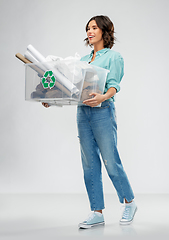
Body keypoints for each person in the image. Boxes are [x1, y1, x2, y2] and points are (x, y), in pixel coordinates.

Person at [42, 15, 137, 229]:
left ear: (105, 30)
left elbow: (113, 85)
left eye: (94, 27)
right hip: (82, 113)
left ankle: (129, 202)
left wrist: (104, 96)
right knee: (89, 164)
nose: (90, 31)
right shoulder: (83, 60)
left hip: (103, 112)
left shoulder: (114, 57)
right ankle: (97, 212)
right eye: (88, 28)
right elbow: (72, 89)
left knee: (110, 160)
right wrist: (51, 99)